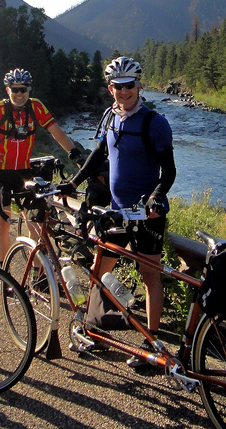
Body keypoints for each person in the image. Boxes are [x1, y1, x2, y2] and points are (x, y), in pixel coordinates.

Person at [64, 55, 176, 368]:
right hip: (116, 212)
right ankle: (93, 329)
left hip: (146, 213)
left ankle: (153, 343)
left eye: (129, 85)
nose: (123, 91)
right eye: (117, 86)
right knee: (100, 270)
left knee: (149, 275)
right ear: (110, 87)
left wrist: (155, 196)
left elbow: (169, 171)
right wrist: (73, 183)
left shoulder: (155, 123)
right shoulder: (110, 117)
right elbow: (98, 153)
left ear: (139, 86)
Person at [0, 68, 85, 264]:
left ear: (29, 89)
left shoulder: (36, 107)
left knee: (35, 223)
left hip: (24, 172)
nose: (19, 94)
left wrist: (77, 156)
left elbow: (56, 132)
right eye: (15, 90)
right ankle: (4, 272)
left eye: (23, 89)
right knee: (3, 224)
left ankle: (37, 274)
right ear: (8, 90)